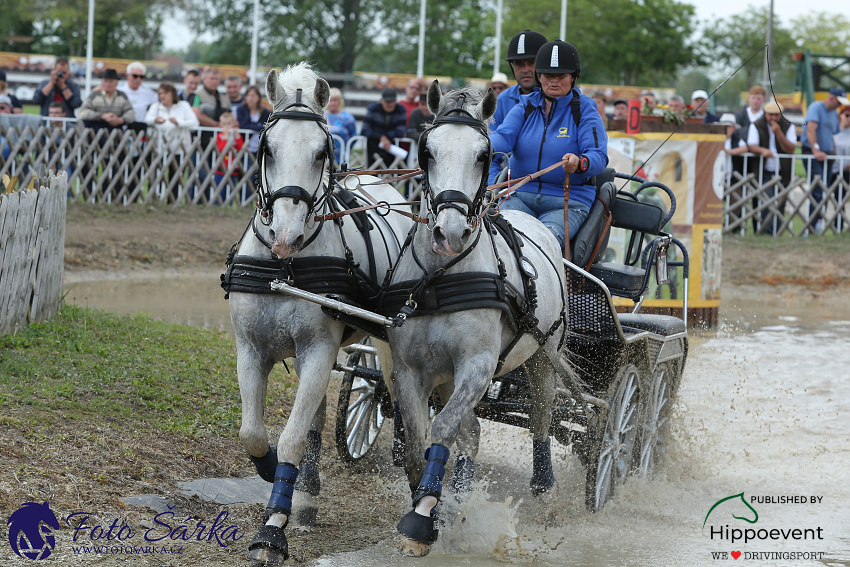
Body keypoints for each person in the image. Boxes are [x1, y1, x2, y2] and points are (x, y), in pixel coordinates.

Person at [490, 40, 609, 248]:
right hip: (520, 194)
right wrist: (474, 144)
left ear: (573, 77)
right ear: (539, 77)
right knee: (495, 240)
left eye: (561, 76)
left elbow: (598, 157)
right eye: (548, 76)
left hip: (568, 201)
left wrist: (580, 162)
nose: (554, 82)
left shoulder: (585, 109)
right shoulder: (525, 105)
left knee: (540, 245)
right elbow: (502, 138)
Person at [801, 87, 849, 232]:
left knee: (825, 191)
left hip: (828, 156)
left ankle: (818, 224)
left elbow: (833, 136)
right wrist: (816, 149)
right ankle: (812, 226)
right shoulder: (816, 107)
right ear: (831, 98)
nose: (840, 106)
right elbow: (810, 129)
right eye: (839, 102)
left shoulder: (834, 113)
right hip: (813, 155)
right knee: (818, 190)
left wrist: (833, 153)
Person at [746, 101, 796, 235]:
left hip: (782, 171)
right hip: (764, 171)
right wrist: (763, 150)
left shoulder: (788, 126)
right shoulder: (756, 125)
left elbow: (791, 149)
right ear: (765, 113)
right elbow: (752, 145)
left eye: (776, 115)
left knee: (780, 202)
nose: (773, 118)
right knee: (766, 200)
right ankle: (765, 231)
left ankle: (776, 231)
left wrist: (779, 133)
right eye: (770, 115)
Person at [490, 30, 548, 131]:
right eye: (519, 64)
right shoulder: (502, 101)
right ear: (512, 66)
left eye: (531, 62)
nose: (525, 70)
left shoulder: (559, 98)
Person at [144, 82, 199, 166]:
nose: (162, 96)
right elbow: (147, 119)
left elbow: (194, 123)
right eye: (160, 93)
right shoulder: (156, 106)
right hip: (160, 147)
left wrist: (179, 123)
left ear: (173, 93)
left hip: (180, 148)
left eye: (165, 93)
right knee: (158, 175)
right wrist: (155, 120)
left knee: (175, 176)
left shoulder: (184, 105)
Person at [360, 87, 407, 166]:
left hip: (392, 149)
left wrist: (385, 137)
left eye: (391, 101)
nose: (389, 104)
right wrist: (381, 137)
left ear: (396, 101)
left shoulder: (401, 109)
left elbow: (400, 131)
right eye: (387, 101)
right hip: (373, 149)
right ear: (381, 100)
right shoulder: (373, 109)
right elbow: (364, 130)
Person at [213, 112, 244, 203]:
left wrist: (237, 137)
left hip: (233, 168)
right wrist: (226, 137)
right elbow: (220, 150)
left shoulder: (236, 136)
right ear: (221, 125)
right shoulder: (220, 136)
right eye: (224, 124)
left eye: (229, 124)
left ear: (233, 124)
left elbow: (241, 148)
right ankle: (217, 205)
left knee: (230, 190)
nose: (227, 127)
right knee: (219, 190)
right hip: (221, 168)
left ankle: (228, 204)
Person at [118, 62, 158, 132]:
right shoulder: (118, 90)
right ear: (128, 76)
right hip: (120, 130)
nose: (138, 79)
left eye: (141, 77)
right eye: (135, 76)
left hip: (140, 130)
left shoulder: (149, 93)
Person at [322, 87, 356, 163]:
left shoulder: (348, 117)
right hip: (324, 157)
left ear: (340, 101)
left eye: (335, 100)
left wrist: (347, 149)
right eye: (330, 100)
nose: (333, 103)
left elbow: (354, 136)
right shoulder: (322, 116)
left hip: (341, 157)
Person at [237, 85, 272, 154]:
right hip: (246, 147)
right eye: (248, 95)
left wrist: (255, 127)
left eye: (253, 96)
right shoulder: (241, 109)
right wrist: (261, 127)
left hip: (260, 147)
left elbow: (268, 127)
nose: (250, 98)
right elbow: (243, 126)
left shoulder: (265, 112)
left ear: (258, 97)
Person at [830, 106, 850, 186]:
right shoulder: (833, 130)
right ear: (840, 116)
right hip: (830, 168)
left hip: (844, 171)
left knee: (840, 197)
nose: (849, 118)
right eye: (847, 115)